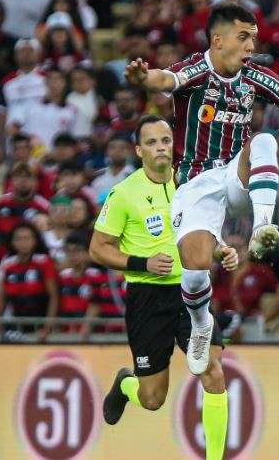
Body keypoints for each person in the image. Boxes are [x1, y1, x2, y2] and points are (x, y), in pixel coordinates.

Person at [125, 3, 279, 375]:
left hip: (236, 177)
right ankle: (201, 323)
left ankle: (262, 228)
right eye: (243, 38)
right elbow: (165, 80)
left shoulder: (254, 77)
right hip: (195, 183)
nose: (250, 46)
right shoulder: (196, 70)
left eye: (253, 39)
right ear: (218, 40)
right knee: (195, 271)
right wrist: (143, 78)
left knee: (265, 140)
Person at [91, 116, 233, 460]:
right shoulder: (124, 193)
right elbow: (98, 249)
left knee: (213, 372)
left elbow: (201, 233)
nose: (161, 148)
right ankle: (126, 384)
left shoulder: (192, 184)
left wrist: (221, 250)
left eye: (166, 141)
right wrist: (144, 263)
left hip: (190, 292)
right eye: (152, 142)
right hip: (148, 298)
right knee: (153, 398)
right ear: (139, 150)